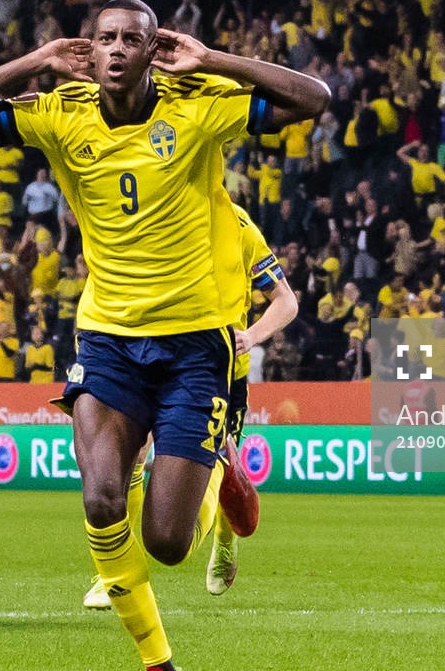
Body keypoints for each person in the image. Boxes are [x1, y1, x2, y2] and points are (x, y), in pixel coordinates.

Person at [0, 0, 328, 671]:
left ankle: (216, 484)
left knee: (167, 541)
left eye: (131, 40)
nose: (114, 50)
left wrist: (213, 59)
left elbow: (313, 100)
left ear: (152, 50)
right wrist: (36, 61)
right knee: (101, 493)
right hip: (108, 338)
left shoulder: (196, 105)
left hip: (195, 345)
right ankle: (159, 669)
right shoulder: (63, 111)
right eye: (104, 38)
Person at [82, 199, 295, 608]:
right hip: (148, 355)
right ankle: (116, 574)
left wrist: (251, 335)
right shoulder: (154, 209)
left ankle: (226, 527)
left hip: (216, 370)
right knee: (128, 457)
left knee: (199, 480)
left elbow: (285, 300)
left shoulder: (238, 225)